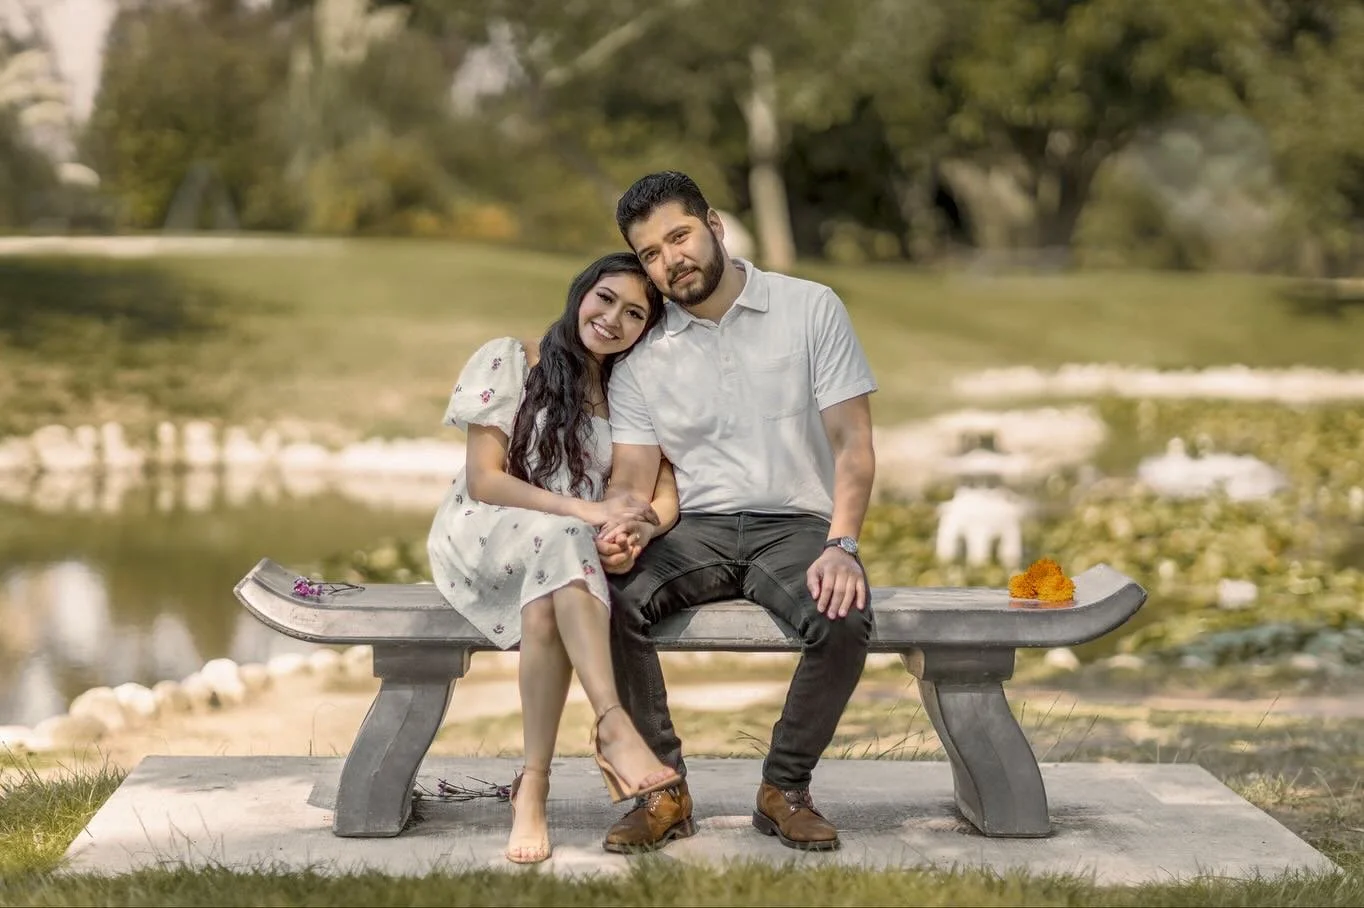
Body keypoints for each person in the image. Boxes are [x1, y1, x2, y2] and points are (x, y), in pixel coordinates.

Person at [594, 171, 878, 853]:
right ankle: (662, 792)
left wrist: (843, 544)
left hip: (796, 527)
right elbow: (634, 478)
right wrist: (626, 526)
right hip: (695, 531)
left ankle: (785, 788)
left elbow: (853, 442)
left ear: (714, 225)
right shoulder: (642, 356)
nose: (671, 261)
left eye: (679, 237)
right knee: (603, 597)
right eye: (651, 254)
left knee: (844, 617)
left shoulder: (810, 308)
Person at [426, 252, 684, 864]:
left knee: (549, 596)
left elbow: (665, 493)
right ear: (581, 292)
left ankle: (533, 787)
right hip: (482, 536)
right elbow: (485, 481)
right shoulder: (512, 358)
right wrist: (588, 515)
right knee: (565, 545)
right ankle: (614, 726)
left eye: (634, 314)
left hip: (560, 558)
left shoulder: (631, 393)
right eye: (605, 298)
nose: (612, 319)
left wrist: (641, 529)